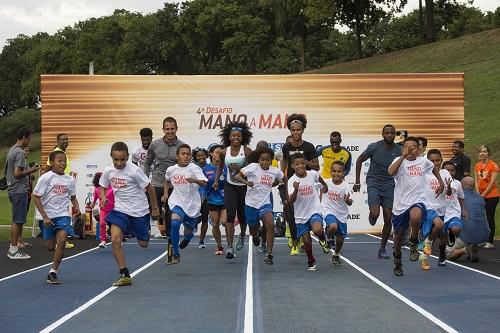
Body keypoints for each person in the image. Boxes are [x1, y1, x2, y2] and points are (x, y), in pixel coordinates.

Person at [100, 142, 159, 286]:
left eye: (122, 159)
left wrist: (155, 208)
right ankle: (124, 273)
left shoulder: (134, 171)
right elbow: (102, 186)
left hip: (139, 211)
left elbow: (149, 188)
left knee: (143, 244)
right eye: (116, 160)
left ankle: (137, 231)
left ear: (127, 157)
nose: (119, 163)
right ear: (111, 157)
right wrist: (103, 198)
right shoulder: (108, 171)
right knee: (114, 239)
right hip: (120, 210)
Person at [388, 137, 444, 276]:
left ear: (418, 150)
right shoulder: (398, 161)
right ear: (403, 149)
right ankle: (397, 259)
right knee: (399, 237)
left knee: (416, 215)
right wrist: (403, 156)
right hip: (400, 204)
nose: (410, 150)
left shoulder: (424, 162)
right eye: (407, 147)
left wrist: (441, 183)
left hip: (418, 199)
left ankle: (413, 241)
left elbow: (434, 169)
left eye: (413, 147)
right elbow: (390, 172)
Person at [353, 124, 401, 259]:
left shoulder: (398, 150)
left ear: (395, 134)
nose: (390, 135)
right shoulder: (374, 147)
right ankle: (372, 215)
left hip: (389, 184)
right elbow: (359, 160)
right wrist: (357, 181)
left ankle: (382, 248)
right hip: (374, 181)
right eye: (387, 133)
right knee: (375, 213)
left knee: (388, 217)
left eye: (392, 133)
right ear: (382, 134)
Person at [33, 150, 80, 284]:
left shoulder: (70, 179)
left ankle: (53, 272)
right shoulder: (46, 178)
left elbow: (73, 197)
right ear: (52, 162)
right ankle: (53, 264)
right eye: (60, 161)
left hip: (62, 215)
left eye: (64, 161)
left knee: (62, 240)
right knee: (50, 245)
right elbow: (36, 197)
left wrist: (76, 207)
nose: (63, 163)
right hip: (47, 217)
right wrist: (45, 216)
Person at [234, 147, 284, 265]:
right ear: (259, 160)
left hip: (265, 203)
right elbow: (236, 176)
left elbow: (283, 179)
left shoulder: (275, 170)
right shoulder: (252, 167)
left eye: (267, 160)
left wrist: (277, 183)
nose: (265, 162)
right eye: (262, 160)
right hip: (251, 204)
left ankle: (269, 254)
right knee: (253, 228)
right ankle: (256, 236)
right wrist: (246, 182)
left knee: (270, 224)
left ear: (271, 160)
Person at [161, 144, 207, 264]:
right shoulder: (171, 170)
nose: (186, 156)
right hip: (177, 201)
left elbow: (204, 183)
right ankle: (176, 254)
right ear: (177, 156)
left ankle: (187, 238)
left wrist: (195, 180)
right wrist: (165, 194)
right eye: (183, 154)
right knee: (175, 223)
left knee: (189, 231)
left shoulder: (194, 169)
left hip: (192, 205)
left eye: (188, 154)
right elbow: (166, 180)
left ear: (190, 156)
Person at [281, 114, 319, 256]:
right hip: (291, 184)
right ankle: (295, 241)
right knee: (289, 210)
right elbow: (284, 162)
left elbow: (316, 167)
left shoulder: (309, 146)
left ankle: (305, 239)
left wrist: (303, 161)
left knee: (306, 214)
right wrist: (282, 176)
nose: (296, 132)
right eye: (293, 130)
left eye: (298, 129)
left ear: (303, 130)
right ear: (290, 131)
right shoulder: (286, 147)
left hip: (306, 185)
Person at [287, 153, 330, 271]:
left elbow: (322, 182)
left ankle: (322, 238)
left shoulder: (313, 174)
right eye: (297, 164)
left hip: (314, 210)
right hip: (300, 215)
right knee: (306, 241)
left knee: (317, 229)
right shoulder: (291, 181)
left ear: (305, 163)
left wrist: (324, 187)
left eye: (302, 163)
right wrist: (296, 190)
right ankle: (311, 259)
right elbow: (291, 201)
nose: (300, 166)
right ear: (292, 166)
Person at [217, 121, 253, 259]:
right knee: (230, 216)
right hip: (230, 185)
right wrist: (216, 181)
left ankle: (242, 235)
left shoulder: (247, 151)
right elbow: (220, 167)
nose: (236, 137)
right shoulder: (224, 151)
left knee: (243, 215)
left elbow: (251, 170)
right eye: (234, 135)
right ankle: (230, 247)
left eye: (239, 135)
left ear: (242, 138)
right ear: (229, 137)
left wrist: (240, 170)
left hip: (243, 186)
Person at [144, 117, 184, 238]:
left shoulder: (182, 146)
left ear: (176, 129)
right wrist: (145, 181)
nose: (170, 131)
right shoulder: (155, 144)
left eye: (172, 129)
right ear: (163, 129)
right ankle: (159, 216)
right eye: (167, 129)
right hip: (156, 184)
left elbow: (185, 166)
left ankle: (171, 239)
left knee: (170, 215)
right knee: (154, 213)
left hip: (173, 185)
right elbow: (147, 163)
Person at [6, 127, 39, 259]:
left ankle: (14, 247)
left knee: (18, 220)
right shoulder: (19, 152)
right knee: (17, 220)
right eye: (29, 138)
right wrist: (31, 170)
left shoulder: (12, 149)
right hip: (18, 190)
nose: (30, 141)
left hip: (14, 189)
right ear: (24, 137)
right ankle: (13, 250)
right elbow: (17, 173)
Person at [419, 149, 452, 270]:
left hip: (442, 209)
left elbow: (449, 193)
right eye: (431, 160)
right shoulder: (424, 174)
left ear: (441, 160)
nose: (435, 163)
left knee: (443, 240)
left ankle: (440, 255)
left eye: (437, 160)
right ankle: (427, 245)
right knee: (438, 224)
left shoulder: (445, 173)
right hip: (428, 207)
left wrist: (448, 188)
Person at [447, 176, 490, 262]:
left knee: (446, 254)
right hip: (484, 236)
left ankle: (466, 249)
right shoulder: (481, 199)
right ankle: (473, 246)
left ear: (461, 185)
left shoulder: (457, 198)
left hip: (467, 235)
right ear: (473, 186)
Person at [322, 161, 353, 266]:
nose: (336, 173)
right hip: (328, 211)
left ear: (343, 173)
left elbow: (350, 202)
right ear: (330, 172)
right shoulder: (326, 183)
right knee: (333, 226)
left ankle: (336, 254)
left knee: (340, 239)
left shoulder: (346, 186)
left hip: (341, 215)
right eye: (334, 171)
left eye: (339, 171)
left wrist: (348, 200)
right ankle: (329, 239)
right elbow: (314, 182)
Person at [203, 144, 227, 255]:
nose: (219, 155)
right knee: (215, 224)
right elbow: (202, 185)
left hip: (225, 200)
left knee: (225, 222)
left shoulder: (226, 167)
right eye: (217, 152)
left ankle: (230, 245)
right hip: (212, 200)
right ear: (211, 154)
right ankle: (219, 246)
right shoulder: (205, 169)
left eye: (221, 153)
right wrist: (203, 194)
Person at [474, 145, 499, 249]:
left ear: (488, 153)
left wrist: (484, 194)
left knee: (489, 217)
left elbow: (492, 182)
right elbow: (476, 180)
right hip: (480, 195)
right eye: (481, 151)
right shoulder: (477, 165)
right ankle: (481, 239)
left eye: (484, 151)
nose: (482, 153)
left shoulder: (493, 166)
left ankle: (490, 241)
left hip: (492, 196)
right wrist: (478, 193)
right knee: (479, 217)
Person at [442, 161, 465, 263]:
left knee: (456, 229)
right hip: (441, 212)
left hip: (453, 213)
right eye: (447, 170)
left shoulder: (458, 183)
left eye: (452, 170)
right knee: (440, 237)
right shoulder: (437, 181)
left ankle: (452, 233)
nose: (450, 172)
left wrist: (463, 210)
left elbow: (461, 197)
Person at [91, 172, 114, 248]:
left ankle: (118, 239)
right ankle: (103, 241)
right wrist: (93, 204)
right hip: (103, 210)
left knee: (114, 225)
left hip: (113, 210)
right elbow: (95, 198)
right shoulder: (97, 189)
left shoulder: (112, 187)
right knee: (102, 224)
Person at [192, 147, 209, 248]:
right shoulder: (192, 168)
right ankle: (193, 224)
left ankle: (201, 241)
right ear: (195, 157)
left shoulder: (210, 167)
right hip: (195, 197)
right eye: (199, 155)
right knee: (196, 219)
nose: (201, 157)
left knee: (205, 220)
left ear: (206, 155)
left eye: (203, 155)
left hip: (207, 197)